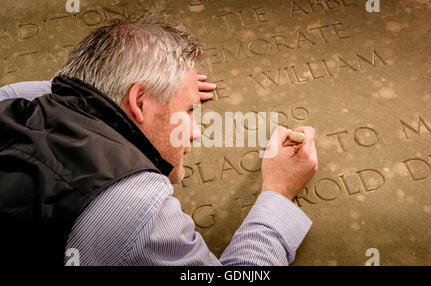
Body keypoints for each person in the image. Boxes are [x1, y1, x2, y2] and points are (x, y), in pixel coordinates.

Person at [0, 15, 318, 266]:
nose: (195, 131)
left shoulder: (8, 101)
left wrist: (170, 91)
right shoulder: (136, 207)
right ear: (139, 101)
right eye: (189, 111)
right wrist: (278, 192)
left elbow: (56, 90)